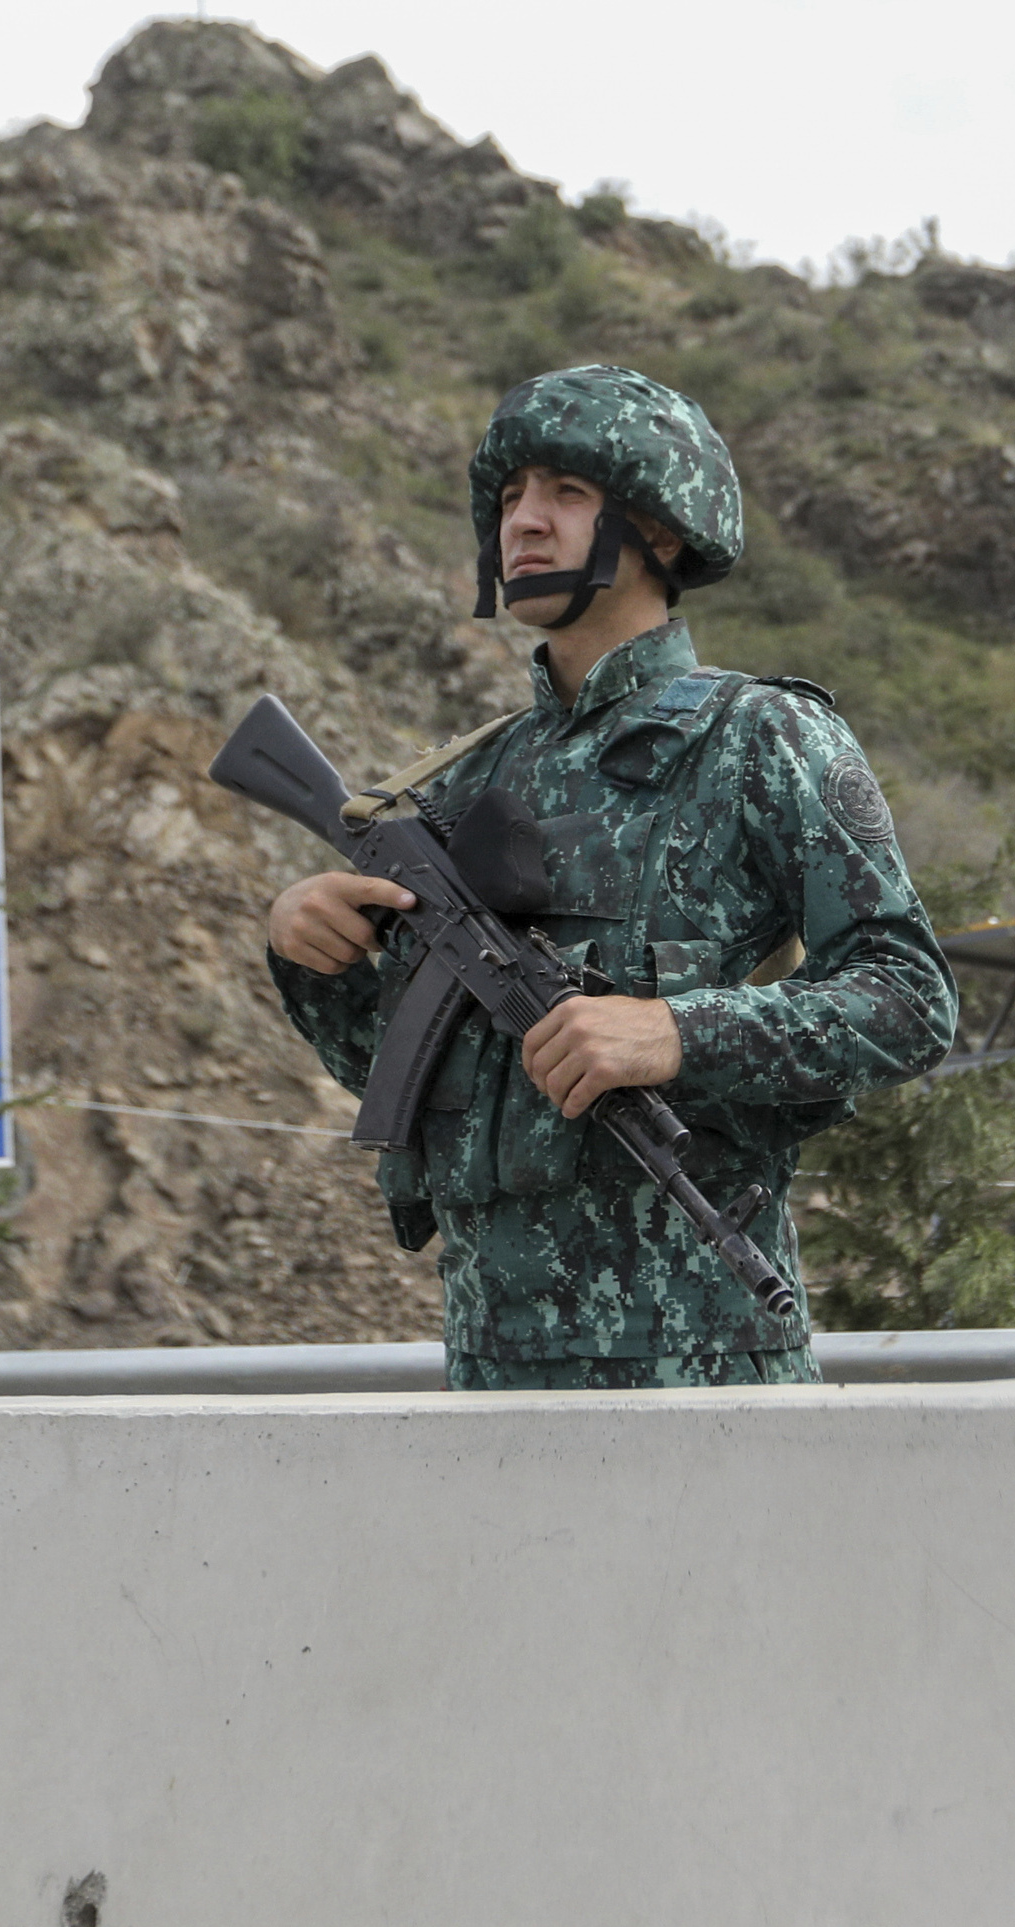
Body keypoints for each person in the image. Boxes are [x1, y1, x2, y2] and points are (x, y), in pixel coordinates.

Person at [263, 364, 958, 1389]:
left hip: (704, 1365)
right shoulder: (471, 779)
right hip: (492, 1367)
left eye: (567, 494)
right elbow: (405, 1075)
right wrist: (315, 956)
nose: (524, 525)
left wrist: (678, 1033)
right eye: (510, 498)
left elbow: (910, 1000)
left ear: (661, 529)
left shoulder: (762, 739)